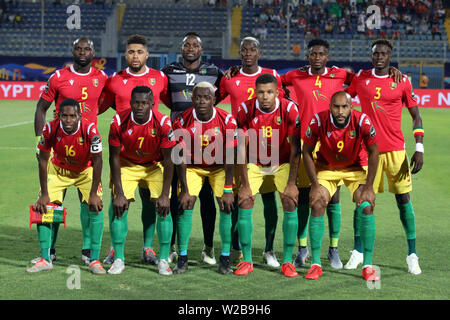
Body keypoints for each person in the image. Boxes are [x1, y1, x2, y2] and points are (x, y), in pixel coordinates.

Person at [280, 38, 403, 269]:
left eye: (321, 54)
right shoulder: (296, 75)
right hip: (308, 141)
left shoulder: (340, 75)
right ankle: (303, 247)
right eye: (313, 54)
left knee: (333, 199)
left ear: (327, 56)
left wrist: (391, 70)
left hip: (334, 141)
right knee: (309, 198)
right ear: (308, 56)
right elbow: (275, 81)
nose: (317, 57)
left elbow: (369, 77)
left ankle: (333, 249)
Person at [346, 39, 423, 275]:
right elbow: (341, 99)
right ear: (371, 56)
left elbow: (416, 116)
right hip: (367, 151)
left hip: (396, 151)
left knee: (403, 200)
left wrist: (419, 147)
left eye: (384, 53)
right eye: (376, 53)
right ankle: (358, 252)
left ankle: (412, 254)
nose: (379, 56)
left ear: (390, 57)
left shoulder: (402, 81)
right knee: (363, 201)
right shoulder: (360, 79)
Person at [33, 37, 108, 265]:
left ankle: (88, 252)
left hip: (87, 154)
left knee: (91, 204)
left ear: (94, 52)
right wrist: (40, 139)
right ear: (72, 50)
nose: (82, 52)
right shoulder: (58, 77)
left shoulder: (102, 78)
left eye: (87, 49)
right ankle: (49, 252)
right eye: (78, 48)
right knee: (48, 205)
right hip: (60, 154)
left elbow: (115, 102)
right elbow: (41, 107)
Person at [99, 34, 170, 266]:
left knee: (152, 201)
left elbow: (172, 103)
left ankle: (148, 248)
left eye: (139, 51)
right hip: (125, 151)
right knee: (117, 200)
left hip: (152, 152)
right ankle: (113, 248)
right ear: (125, 54)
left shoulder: (159, 78)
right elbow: (100, 105)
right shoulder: (114, 80)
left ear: (147, 54)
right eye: (131, 52)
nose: (135, 56)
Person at [218, 37, 284, 268]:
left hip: (270, 146)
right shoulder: (230, 78)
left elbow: (282, 105)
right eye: (244, 50)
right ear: (240, 53)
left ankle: (269, 249)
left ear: (259, 52)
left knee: (269, 199)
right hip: (242, 148)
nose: (247, 53)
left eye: (252, 49)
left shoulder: (272, 75)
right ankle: (236, 248)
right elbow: (211, 101)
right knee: (240, 198)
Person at [161, 32, 224, 266]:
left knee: (207, 197)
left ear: (201, 48)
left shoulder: (214, 72)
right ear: (181, 48)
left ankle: (208, 248)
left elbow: (222, 93)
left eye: (195, 45)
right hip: (179, 139)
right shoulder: (168, 71)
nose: (190, 48)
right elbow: (162, 96)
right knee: (178, 195)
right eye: (186, 45)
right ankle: (174, 248)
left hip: (207, 142)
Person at [302, 91, 379, 281]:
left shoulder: (362, 121)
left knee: (366, 205)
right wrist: (314, 184)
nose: (340, 111)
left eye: (344, 107)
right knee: (317, 203)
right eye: (336, 106)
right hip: (327, 168)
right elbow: (306, 151)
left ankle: (368, 265)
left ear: (351, 107)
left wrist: (369, 187)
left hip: (354, 168)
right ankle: (316, 265)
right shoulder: (318, 121)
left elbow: (374, 152)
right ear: (330, 107)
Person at [28, 98, 105, 275]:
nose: (68, 120)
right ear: (59, 116)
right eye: (64, 116)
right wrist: (44, 193)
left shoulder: (90, 130)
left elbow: (98, 161)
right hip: (58, 170)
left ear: (79, 115)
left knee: (95, 207)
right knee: (43, 207)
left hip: (85, 171)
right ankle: (45, 259)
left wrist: (94, 193)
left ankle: (94, 259)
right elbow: (43, 161)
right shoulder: (50, 128)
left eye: (72, 116)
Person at [235, 74, 301, 277]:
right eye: (261, 92)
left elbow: (295, 149)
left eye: (269, 92)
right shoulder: (245, 110)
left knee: (290, 200)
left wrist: (291, 183)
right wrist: (245, 184)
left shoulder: (289, 109)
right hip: (255, 162)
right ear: (255, 93)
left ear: (277, 93)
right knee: (245, 199)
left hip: (281, 162)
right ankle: (246, 260)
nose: (265, 96)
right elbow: (240, 148)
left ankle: (288, 261)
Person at [107, 86, 175, 275]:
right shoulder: (118, 121)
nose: (139, 106)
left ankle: (162, 259)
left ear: (152, 104)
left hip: (154, 165)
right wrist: (119, 193)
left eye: (144, 103)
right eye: (136, 102)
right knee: (119, 207)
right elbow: (113, 157)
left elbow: (170, 159)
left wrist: (164, 195)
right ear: (130, 103)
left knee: (163, 207)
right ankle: (119, 258)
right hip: (126, 164)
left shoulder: (163, 123)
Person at [172, 82, 237, 274]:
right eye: (198, 97)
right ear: (192, 99)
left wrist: (227, 190)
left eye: (206, 97)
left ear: (214, 100)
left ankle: (225, 259)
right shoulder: (181, 121)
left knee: (226, 206)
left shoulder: (227, 120)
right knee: (185, 204)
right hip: (192, 167)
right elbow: (179, 156)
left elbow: (231, 154)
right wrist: (183, 190)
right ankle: (182, 259)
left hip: (219, 167)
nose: (202, 101)